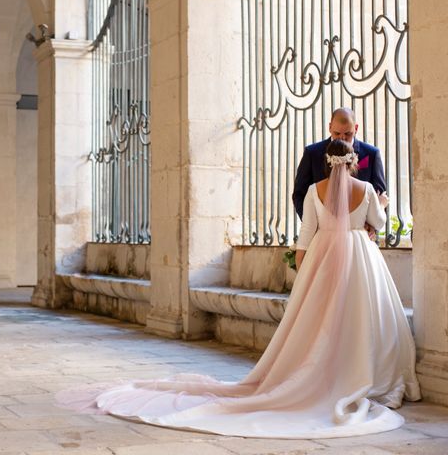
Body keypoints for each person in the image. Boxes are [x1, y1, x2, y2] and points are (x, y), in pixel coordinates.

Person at [57, 139, 420, 439]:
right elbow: (381, 225)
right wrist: (381, 206)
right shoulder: (368, 189)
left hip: (324, 261)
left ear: (327, 162)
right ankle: (365, 371)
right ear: (355, 161)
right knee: (365, 317)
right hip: (361, 259)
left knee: (317, 324)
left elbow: (305, 237)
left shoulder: (314, 191)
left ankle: (324, 371)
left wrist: (305, 273)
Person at [292, 107, 386, 220]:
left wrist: (371, 226)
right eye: (337, 133)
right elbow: (299, 194)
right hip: (322, 230)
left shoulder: (371, 154)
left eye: (348, 133)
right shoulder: (312, 153)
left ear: (356, 128)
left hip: (359, 231)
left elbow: (379, 194)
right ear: (330, 127)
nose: (342, 137)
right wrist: (312, 222)